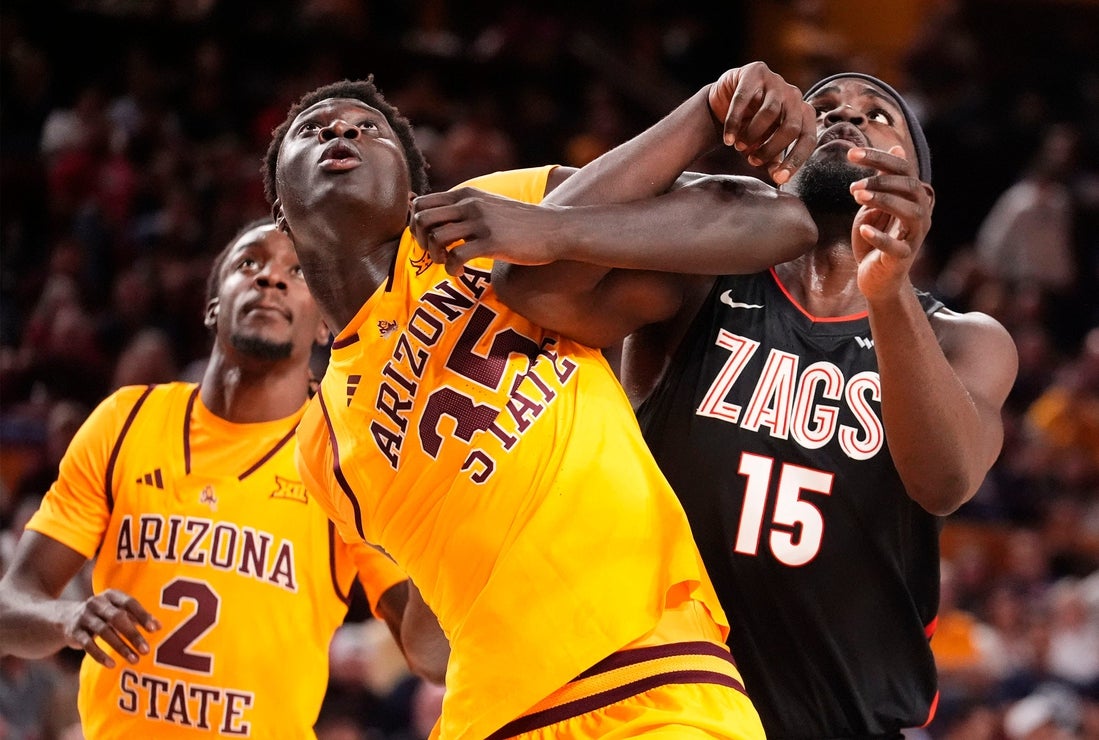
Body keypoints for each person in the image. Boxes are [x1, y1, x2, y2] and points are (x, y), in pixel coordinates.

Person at [409, 72, 1020, 737]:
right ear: (785, 152)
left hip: (844, 721)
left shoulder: (964, 340)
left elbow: (944, 480)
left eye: (878, 116)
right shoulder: (703, 278)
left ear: (920, 191)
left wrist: (888, 291)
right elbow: (536, 289)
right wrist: (695, 119)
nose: (845, 118)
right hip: (656, 710)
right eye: (822, 108)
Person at [262, 63, 819, 740]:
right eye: (313, 130)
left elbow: (782, 223)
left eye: (366, 127)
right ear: (280, 210)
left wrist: (553, 229)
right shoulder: (320, 444)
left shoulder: (486, 215)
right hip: (489, 717)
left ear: (412, 192)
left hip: (649, 682)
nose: (341, 131)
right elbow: (430, 638)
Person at [0, 219, 433, 738]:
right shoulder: (125, 421)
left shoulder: (342, 455)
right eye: (249, 263)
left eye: (298, 272)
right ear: (212, 306)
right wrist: (67, 620)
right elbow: (10, 605)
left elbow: (431, 653)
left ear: (324, 324)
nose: (270, 278)